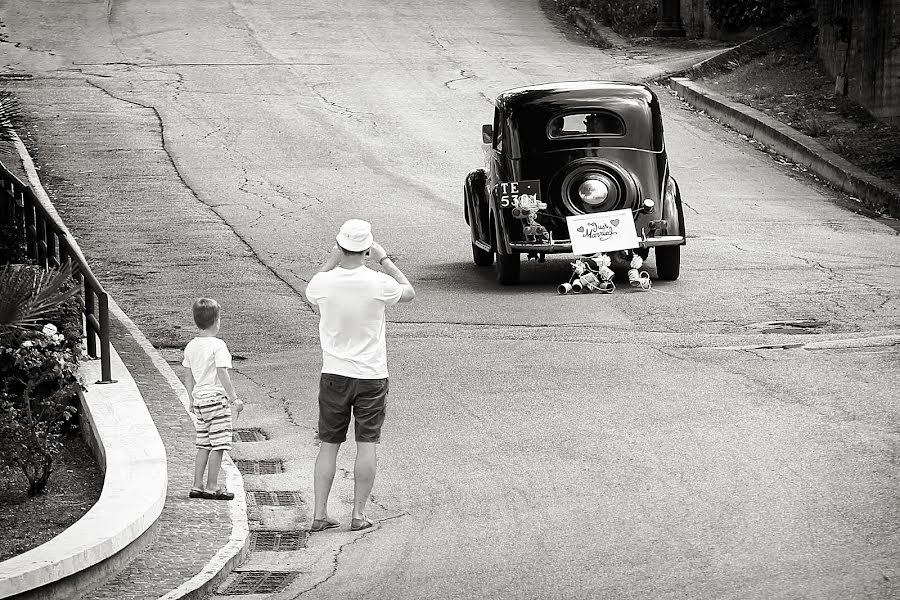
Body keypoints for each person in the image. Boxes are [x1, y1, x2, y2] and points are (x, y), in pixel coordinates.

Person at [304, 219, 415, 532]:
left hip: (334, 374)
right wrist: (384, 258)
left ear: (340, 247)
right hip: (371, 375)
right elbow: (409, 292)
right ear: (367, 249)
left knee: (328, 444)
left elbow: (312, 286)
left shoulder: (323, 284)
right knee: (367, 444)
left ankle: (320, 513)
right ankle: (358, 513)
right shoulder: (377, 282)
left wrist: (333, 257)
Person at [182, 298, 244, 500]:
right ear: (216, 321)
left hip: (200, 401)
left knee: (203, 444)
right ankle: (212, 485)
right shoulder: (218, 346)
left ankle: (196, 485)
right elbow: (222, 372)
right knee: (219, 445)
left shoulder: (191, 346)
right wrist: (234, 398)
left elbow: (188, 375)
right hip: (217, 401)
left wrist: (191, 399)